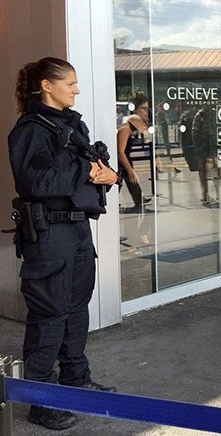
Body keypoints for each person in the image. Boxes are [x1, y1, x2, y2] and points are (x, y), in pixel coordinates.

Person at [9, 57, 118, 431]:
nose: (76, 89)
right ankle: (40, 401)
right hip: (49, 234)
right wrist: (83, 170)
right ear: (46, 85)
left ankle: (76, 380)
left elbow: (86, 176)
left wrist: (107, 175)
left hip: (76, 230)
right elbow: (33, 183)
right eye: (69, 83)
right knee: (49, 315)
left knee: (75, 308)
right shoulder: (30, 130)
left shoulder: (73, 126)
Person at [116, 96, 152, 212]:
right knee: (120, 180)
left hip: (125, 157)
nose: (147, 112)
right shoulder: (125, 127)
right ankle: (113, 202)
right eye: (144, 108)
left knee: (130, 180)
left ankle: (139, 199)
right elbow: (120, 151)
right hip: (121, 159)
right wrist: (130, 170)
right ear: (135, 110)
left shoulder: (135, 124)